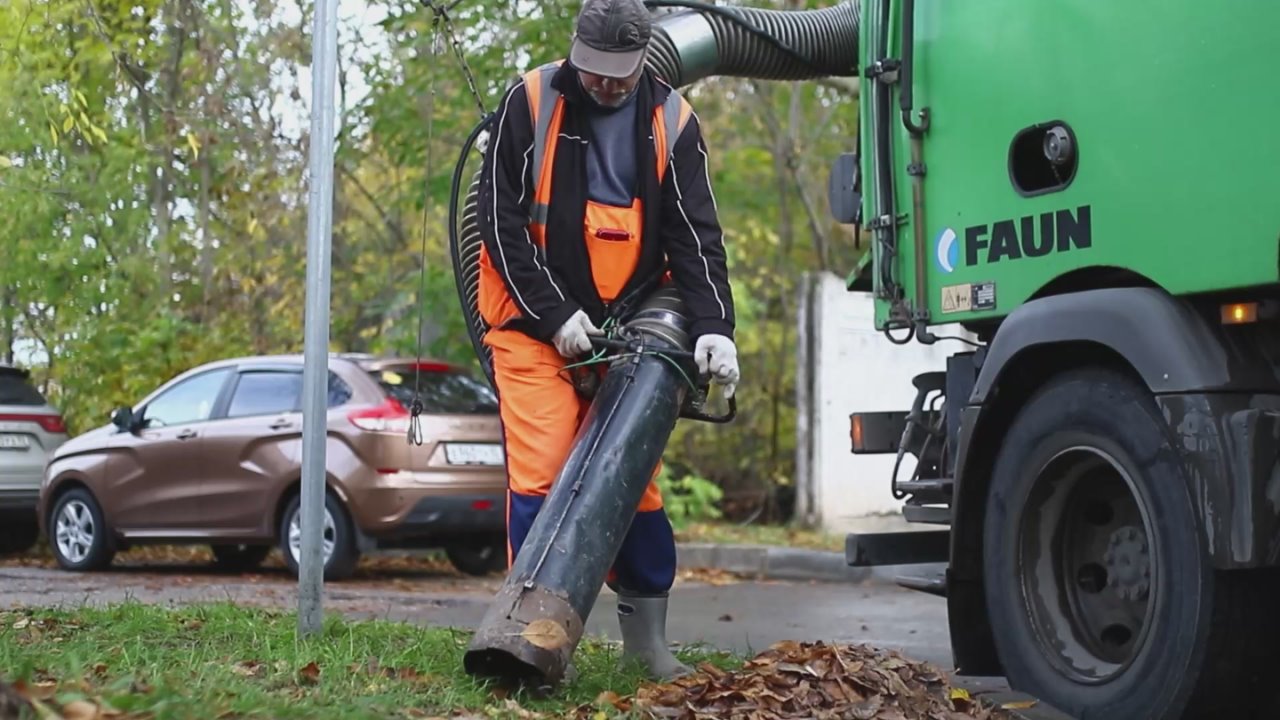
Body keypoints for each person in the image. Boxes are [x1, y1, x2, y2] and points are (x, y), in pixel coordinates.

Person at [474, 0, 739, 682]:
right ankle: (526, 643)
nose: (606, 86)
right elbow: (499, 224)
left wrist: (715, 329)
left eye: (619, 75)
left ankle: (645, 647)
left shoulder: (672, 122)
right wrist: (554, 314)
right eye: (594, 73)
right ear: (576, 54)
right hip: (532, 325)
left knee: (632, 477)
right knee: (543, 467)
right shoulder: (530, 102)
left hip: (625, 329)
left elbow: (695, 238)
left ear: (643, 62)